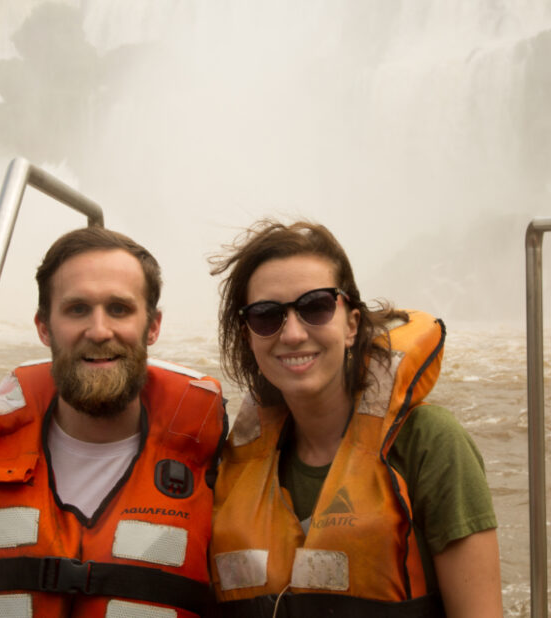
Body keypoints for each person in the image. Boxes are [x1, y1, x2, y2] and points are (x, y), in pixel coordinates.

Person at [0, 226, 226, 617]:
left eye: (119, 309)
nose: (98, 331)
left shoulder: (216, 467)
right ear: (44, 327)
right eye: (77, 309)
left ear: (153, 326)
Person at [207, 220, 501, 617]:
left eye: (315, 307)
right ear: (248, 336)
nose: (292, 334)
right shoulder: (228, 465)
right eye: (266, 315)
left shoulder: (429, 443)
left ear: (351, 324)